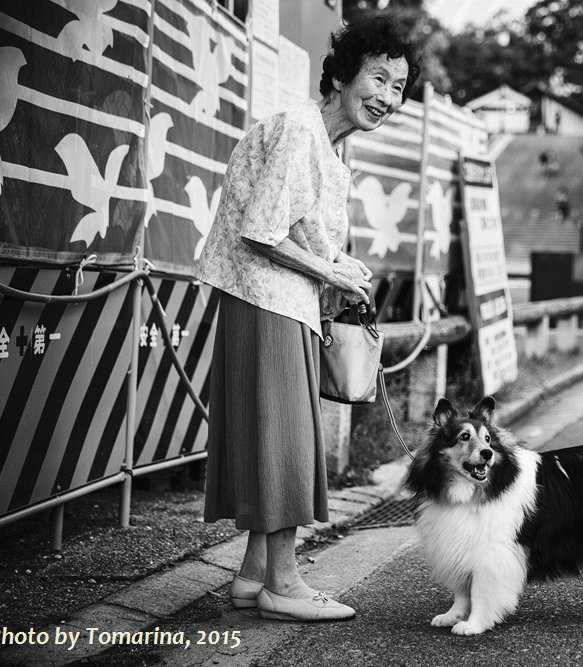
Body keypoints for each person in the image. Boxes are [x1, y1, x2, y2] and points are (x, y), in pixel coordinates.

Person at [194, 17, 420, 622]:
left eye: (399, 87)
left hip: (270, 299)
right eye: (378, 78)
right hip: (268, 299)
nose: (388, 98)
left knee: (268, 436)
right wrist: (336, 274)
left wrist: (340, 265)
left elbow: (293, 231)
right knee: (286, 441)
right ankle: (285, 586)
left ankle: (253, 576)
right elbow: (262, 231)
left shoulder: (323, 140)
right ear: (342, 74)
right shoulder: (300, 129)